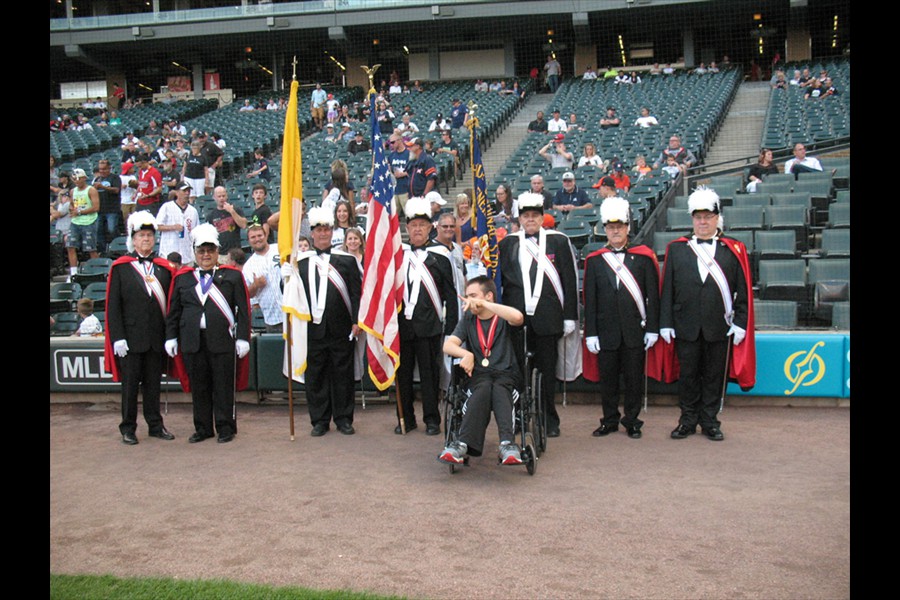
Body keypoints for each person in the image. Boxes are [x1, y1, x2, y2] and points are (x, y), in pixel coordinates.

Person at [658, 188, 755, 442]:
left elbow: (743, 290)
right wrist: (666, 323)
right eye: (698, 217)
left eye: (708, 217)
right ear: (692, 219)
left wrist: (741, 323)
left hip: (718, 326)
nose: (703, 222)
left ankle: (710, 421)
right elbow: (667, 288)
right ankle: (687, 420)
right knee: (688, 376)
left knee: (714, 377)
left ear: (717, 218)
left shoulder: (733, 249)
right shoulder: (677, 249)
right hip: (685, 325)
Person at [498, 192, 579, 438]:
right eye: (526, 216)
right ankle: (520, 417)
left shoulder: (559, 241)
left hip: (548, 318)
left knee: (545, 372)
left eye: (535, 215)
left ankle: (548, 418)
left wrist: (569, 316)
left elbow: (569, 280)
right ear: (519, 218)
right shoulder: (507, 243)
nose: (530, 219)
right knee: (518, 373)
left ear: (542, 217)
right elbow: (500, 282)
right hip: (516, 319)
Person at [165, 223, 251, 444]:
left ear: (217, 252)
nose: (206, 255)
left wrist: (242, 337)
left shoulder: (231, 277)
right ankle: (203, 428)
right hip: (193, 341)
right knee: (199, 387)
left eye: (210, 250)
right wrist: (171, 336)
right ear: (194, 252)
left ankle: (225, 427)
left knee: (223, 386)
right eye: (201, 251)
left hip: (221, 340)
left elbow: (243, 309)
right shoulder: (183, 278)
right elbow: (174, 311)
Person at [583, 197, 659, 439]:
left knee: (634, 380)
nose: (615, 231)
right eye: (610, 227)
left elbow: (652, 297)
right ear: (604, 229)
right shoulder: (595, 261)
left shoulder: (644, 258)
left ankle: (633, 420)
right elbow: (590, 300)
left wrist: (653, 329)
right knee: (608, 381)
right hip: (606, 332)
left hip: (635, 330)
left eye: (620, 227)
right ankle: (609, 419)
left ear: (628, 227)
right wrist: (591, 332)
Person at [104, 211, 176, 445]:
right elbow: (113, 306)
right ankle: (128, 427)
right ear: (133, 240)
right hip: (131, 338)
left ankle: (155, 425)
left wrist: (169, 336)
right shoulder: (121, 268)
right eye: (141, 235)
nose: (146, 239)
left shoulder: (163, 268)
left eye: (149, 235)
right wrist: (117, 338)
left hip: (156, 337)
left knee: (153, 385)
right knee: (130, 386)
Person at [440, 276, 526, 466]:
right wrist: (466, 354)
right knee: (485, 387)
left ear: (488, 296)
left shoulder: (503, 317)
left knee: (499, 388)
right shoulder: (469, 319)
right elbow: (448, 345)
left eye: (473, 296)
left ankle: (507, 444)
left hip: (506, 375)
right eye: (467, 296)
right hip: (479, 376)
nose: (469, 301)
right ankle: (462, 444)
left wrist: (486, 305)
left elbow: (518, 318)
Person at [294, 207, 362, 435]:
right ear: (312, 233)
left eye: (327, 230)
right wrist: (287, 278)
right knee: (316, 376)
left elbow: (355, 293)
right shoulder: (300, 263)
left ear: (332, 232)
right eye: (319, 230)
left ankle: (343, 419)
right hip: (313, 330)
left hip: (342, 328)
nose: (323, 234)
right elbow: (293, 295)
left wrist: (356, 320)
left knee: (343, 375)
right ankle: (320, 420)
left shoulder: (347, 261)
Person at [396, 197, 459, 436]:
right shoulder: (398, 256)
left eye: (422, 224)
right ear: (407, 228)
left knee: (430, 377)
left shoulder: (441, 256)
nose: (418, 229)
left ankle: (432, 419)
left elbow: (451, 297)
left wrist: (452, 332)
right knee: (402, 376)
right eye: (413, 225)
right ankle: (405, 418)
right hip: (403, 327)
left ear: (430, 227)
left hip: (430, 326)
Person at [243, 219, 283, 334]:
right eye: (253, 237)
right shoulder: (248, 266)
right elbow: (247, 294)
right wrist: (255, 285)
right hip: (272, 318)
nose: (257, 239)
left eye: (259, 235)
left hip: (292, 311)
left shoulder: (280, 249)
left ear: (266, 235)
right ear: (249, 241)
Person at [66, 168, 101, 280]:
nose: (76, 181)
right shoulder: (72, 191)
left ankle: (96, 272)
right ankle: (73, 273)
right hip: (75, 221)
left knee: (90, 248)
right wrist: (71, 209)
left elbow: (96, 207)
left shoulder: (91, 190)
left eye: (78, 178)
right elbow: (72, 204)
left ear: (84, 178)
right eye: (74, 179)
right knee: (70, 246)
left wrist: (80, 212)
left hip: (89, 221)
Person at [157, 182, 200, 266]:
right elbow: (157, 226)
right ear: (177, 192)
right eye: (184, 191)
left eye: (188, 191)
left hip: (186, 255)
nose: (187, 193)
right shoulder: (167, 207)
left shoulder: (193, 211)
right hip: (169, 252)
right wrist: (173, 227)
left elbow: (196, 231)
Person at [205, 186, 246, 253]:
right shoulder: (211, 216)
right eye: (219, 196)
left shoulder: (236, 209)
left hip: (235, 252)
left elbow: (244, 225)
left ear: (227, 196)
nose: (222, 198)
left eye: (223, 196)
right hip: (220, 253)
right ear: (214, 198)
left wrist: (232, 212)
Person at [388, 132, 411, 212]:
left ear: (400, 140)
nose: (391, 145)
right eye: (390, 143)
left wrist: (403, 174)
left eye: (393, 142)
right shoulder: (391, 156)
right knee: (393, 214)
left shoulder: (409, 154)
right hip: (395, 190)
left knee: (408, 213)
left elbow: (414, 170)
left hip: (406, 189)